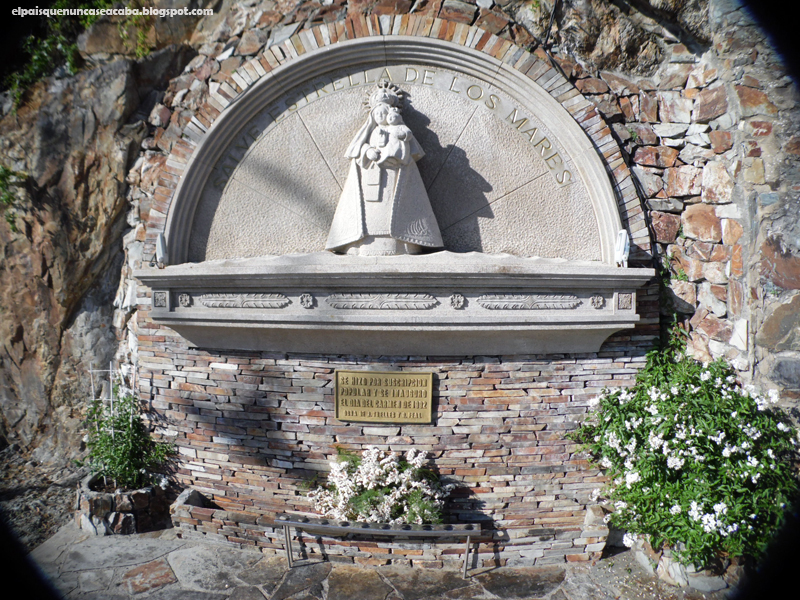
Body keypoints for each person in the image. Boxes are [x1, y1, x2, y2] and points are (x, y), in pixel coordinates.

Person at [325, 81, 443, 256]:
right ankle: (364, 242)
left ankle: (401, 242)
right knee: (369, 213)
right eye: (377, 113)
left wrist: (391, 153)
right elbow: (358, 151)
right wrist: (368, 151)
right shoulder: (369, 132)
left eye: (384, 112)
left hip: (393, 176)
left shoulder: (397, 130)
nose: (380, 116)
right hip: (370, 175)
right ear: (372, 115)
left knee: (394, 209)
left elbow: (407, 151)